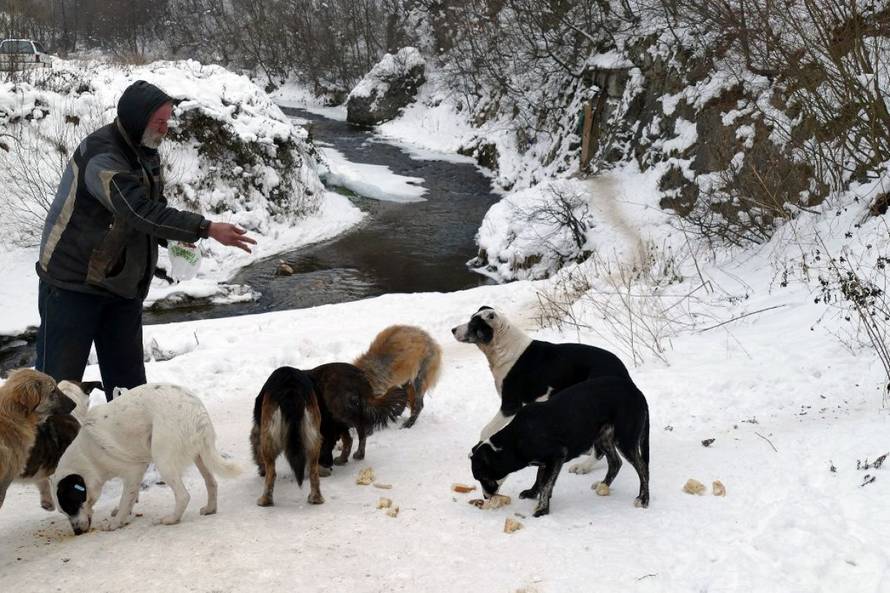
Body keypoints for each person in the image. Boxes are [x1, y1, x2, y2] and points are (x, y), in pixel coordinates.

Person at [35, 80, 256, 400]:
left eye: (168, 120)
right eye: (160, 122)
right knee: (55, 390)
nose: (166, 128)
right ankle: (45, 450)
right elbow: (136, 210)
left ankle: (127, 448)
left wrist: (173, 240)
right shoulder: (103, 157)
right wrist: (205, 228)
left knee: (129, 391)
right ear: (138, 119)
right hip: (72, 284)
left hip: (121, 284)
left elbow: (152, 207)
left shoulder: (144, 148)